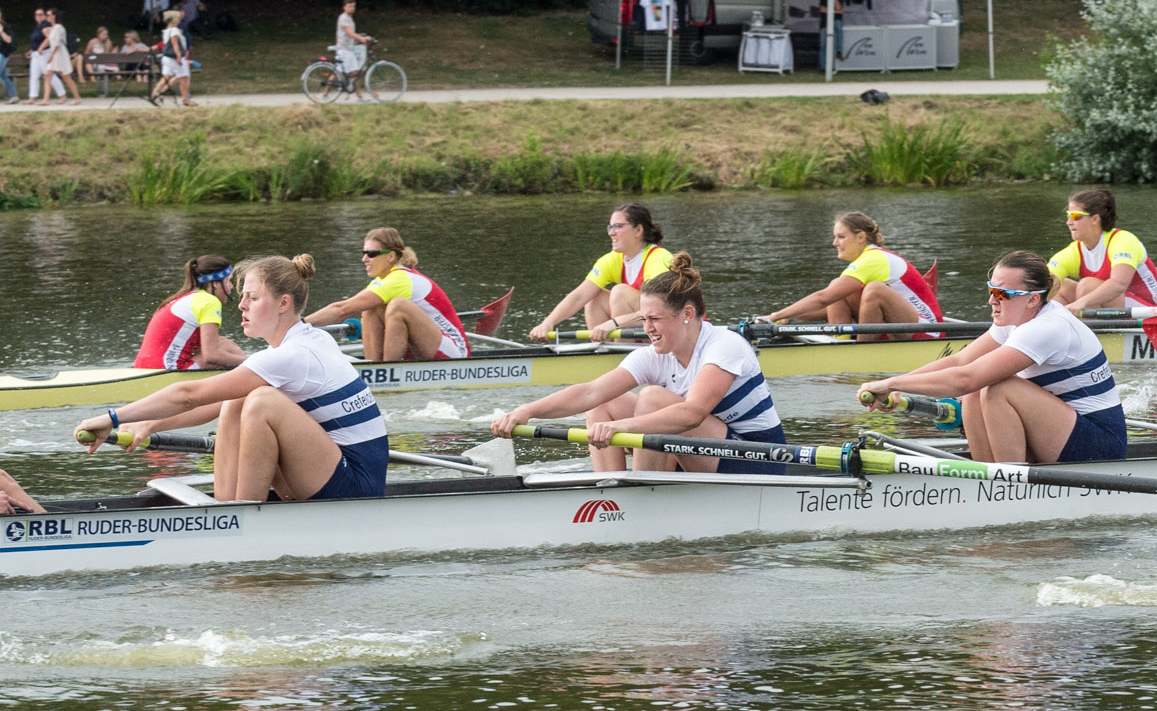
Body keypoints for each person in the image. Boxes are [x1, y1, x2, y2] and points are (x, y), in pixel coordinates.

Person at [74, 254, 390, 503]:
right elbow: (213, 401)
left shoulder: (293, 355)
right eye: (241, 296)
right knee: (240, 397)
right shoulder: (307, 341)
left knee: (262, 402)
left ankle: (242, 516)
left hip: (356, 484)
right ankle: (229, 509)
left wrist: (112, 418)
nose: (240, 305)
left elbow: (189, 394)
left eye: (252, 297)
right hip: (332, 470)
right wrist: (152, 425)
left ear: (283, 303)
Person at [494, 257, 789, 476]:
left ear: (687, 313)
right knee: (604, 403)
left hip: (757, 457)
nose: (647, 329)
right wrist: (526, 410)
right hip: (703, 450)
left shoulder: (724, 345)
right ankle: (608, 489)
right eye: (643, 319)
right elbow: (589, 393)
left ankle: (644, 488)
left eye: (655, 319)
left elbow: (692, 414)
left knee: (651, 397)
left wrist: (621, 427)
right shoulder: (654, 354)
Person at [859, 251, 1128, 464]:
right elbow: (959, 361)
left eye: (1002, 294)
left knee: (996, 385)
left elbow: (965, 379)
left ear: (1033, 300)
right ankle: (990, 476)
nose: (991, 300)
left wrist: (892, 384)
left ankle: (1008, 482)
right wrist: (895, 384)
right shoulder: (1014, 318)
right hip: (1060, 433)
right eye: (991, 289)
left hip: (1099, 444)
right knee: (980, 388)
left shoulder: (1047, 327)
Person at [305, 228, 471, 362]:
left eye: (371, 253)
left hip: (455, 353)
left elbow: (342, 310)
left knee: (398, 306)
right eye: (363, 253)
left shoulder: (400, 278)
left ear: (390, 256)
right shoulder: (383, 280)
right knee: (369, 308)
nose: (364, 259)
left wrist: (300, 324)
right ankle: (375, 368)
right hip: (425, 347)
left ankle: (387, 372)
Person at [765, 211, 945, 329]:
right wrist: (789, 318)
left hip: (928, 329)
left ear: (860, 237)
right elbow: (829, 305)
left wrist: (776, 315)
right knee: (839, 288)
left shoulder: (874, 259)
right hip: (901, 323)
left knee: (873, 290)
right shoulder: (866, 260)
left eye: (841, 237)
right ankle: (839, 341)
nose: (835, 243)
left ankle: (861, 348)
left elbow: (822, 298)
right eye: (835, 237)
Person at [529, 204, 674, 342]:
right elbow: (579, 296)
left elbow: (660, 310)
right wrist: (547, 323)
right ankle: (603, 349)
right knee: (593, 297)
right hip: (638, 324)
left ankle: (623, 354)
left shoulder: (659, 259)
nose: (611, 232)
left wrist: (614, 323)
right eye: (610, 227)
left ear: (638, 230)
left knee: (620, 292)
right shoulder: (612, 259)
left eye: (618, 226)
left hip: (663, 328)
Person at [1050, 188, 1157, 312]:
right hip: (1118, 308)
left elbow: (1119, 284)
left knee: (1087, 286)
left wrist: (1081, 302)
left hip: (1155, 311)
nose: (1068, 222)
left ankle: (1091, 329)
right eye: (1068, 215)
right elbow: (1043, 282)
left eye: (1075, 216)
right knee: (1056, 286)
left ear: (1095, 219)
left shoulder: (1123, 241)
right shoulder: (1074, 251)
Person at [134, 255, 247, 372]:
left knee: (223, 343)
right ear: (215, 284)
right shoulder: (209, 301)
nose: (231, 287)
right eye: (228, 281)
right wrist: (251, 362)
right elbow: (212, 356)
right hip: (167, 369)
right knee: (224, 351)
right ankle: (257, 377)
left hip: (143, 366)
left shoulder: (185, 297)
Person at [334, 0, 373, 99]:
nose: (352, 8)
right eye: (349, 6)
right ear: (344, 7)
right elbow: (349, 33)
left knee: (339, 72)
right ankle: (360, 96)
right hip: (344, 49)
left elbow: (350, 35)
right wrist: (362, 38)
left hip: (347, 49)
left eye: (353, 6)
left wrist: (360, 40)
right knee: (354, 73)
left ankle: (325, 94)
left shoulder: (349, 18)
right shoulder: (344, 18)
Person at [152, 11, 193, 106]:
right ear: (174, 19)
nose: (179, 20)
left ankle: (153, 95)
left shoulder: (166, 30)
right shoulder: (174, 30)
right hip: (175, 57)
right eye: (178, 18)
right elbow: (175, 44)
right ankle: (186, 100)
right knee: (184, 78)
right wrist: (179, 55)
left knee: (165, 78)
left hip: (166, 58)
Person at [0, 8, 16, 104]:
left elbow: (9, 40)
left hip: (2, 54)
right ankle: (15, 96)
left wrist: (1, 32)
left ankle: (14, 96)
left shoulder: (4, 26)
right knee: (3, 76)